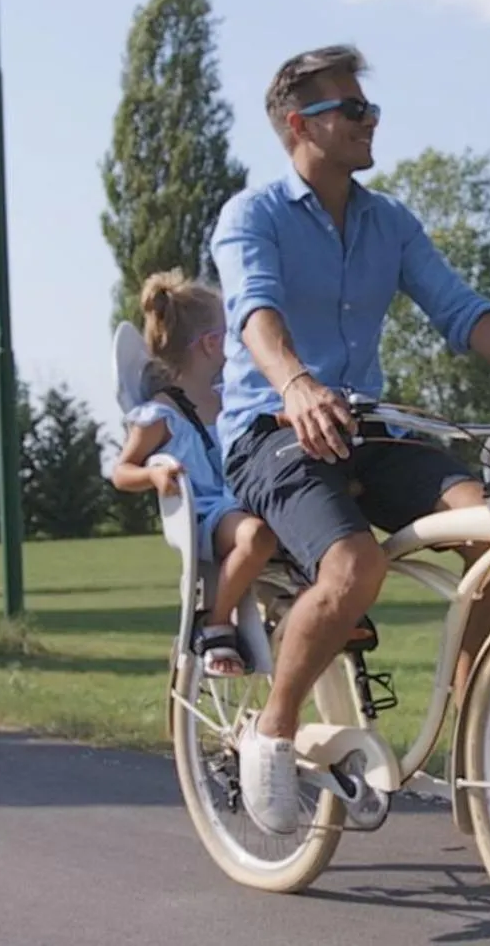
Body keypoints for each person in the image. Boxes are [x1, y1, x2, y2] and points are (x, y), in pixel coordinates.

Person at [208, 44, 490, 834]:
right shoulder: (251, 216)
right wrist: (294, 384)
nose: (369, 123)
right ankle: (274, 728)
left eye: (370, 109)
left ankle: (477, 747)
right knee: (353, 564)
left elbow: (459, 308)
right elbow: (254, 312)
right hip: (272, 430)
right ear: (299, 125)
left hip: (369, 427)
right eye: (351, 110)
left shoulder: (387, 220)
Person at [111, 270, 280, 678]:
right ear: (211, 343)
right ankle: (217, 621)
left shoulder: (230, 401)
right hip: (207, 514)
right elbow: (120, 471)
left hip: (243, 501)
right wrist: (153, 476)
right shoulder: (162, 414)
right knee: (256, 535)